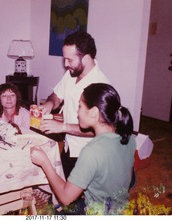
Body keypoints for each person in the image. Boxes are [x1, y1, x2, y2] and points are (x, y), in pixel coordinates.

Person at [31, 83, 136, 214]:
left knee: (54, 207)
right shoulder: (129, 138)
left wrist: (44, 162)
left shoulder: (91, 151)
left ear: (93, 113)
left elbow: (66, 198)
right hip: (119, 209)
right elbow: (129, 180)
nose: (77, 112)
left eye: (80, 106)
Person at [39, 31, 111, 178]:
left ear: (85, 58)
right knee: (66, 190)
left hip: (89, 153)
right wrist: (49, 104)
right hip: (69, 147)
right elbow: (56, 95)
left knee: (80, 196)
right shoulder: (72, 74)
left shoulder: (100, 85)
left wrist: (62, 127)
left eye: (69, 60)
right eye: (64, 59)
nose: (66, 65)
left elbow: (101, 129)